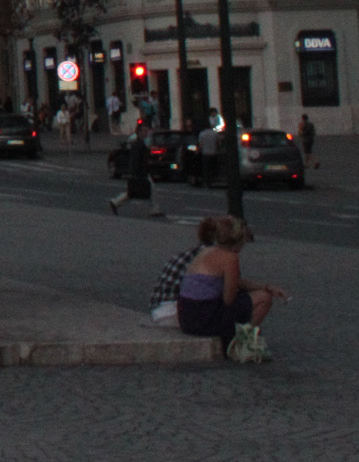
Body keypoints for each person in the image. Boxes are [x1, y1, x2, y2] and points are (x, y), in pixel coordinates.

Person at [177, 215, 285, 358]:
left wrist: (266, 286)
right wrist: (263, 291)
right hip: (204, 317)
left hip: (187, 316)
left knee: (255, 295)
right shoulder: (230, 258)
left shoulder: (206, 251)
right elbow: (229, 299)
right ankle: (241, 344)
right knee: (264, 298)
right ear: (240, 241)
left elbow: (237, 281)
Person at [109, 124, 164, 217]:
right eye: (144, 131)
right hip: (141, 172)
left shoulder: (140, 143)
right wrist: (135, 172)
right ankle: (155, 209)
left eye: (147, 131)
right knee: (150, 189)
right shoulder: (139, 144)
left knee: (133, 192)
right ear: (139, 132)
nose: (146, 133)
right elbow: (135, 160)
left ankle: (116, 202)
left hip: (141, 171)